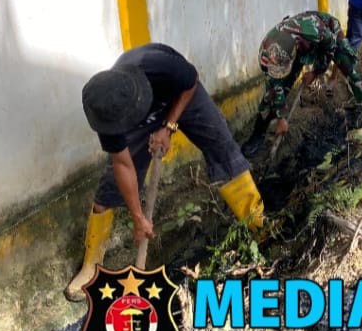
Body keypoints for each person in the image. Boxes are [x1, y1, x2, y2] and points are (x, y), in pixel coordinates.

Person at [67, 43, 262, 300]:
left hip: (182, 97)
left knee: (223, 150)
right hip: (139, 113)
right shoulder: (107, 110)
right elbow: (123, 164)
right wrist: (138, 217)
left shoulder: (158, 65)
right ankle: (91, 266)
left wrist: (168, 127)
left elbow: (191, 81)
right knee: (110, 187)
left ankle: (260, 228)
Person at [244, 12, 362, 152]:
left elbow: (330, 47)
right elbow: (275, 86)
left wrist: (316, 72)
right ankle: (257, 135)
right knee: (271, 96)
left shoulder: (314, 30)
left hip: (328, 37)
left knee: (351, 71)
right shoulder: (267, 55)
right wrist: (282, 117)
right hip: (299, 48)